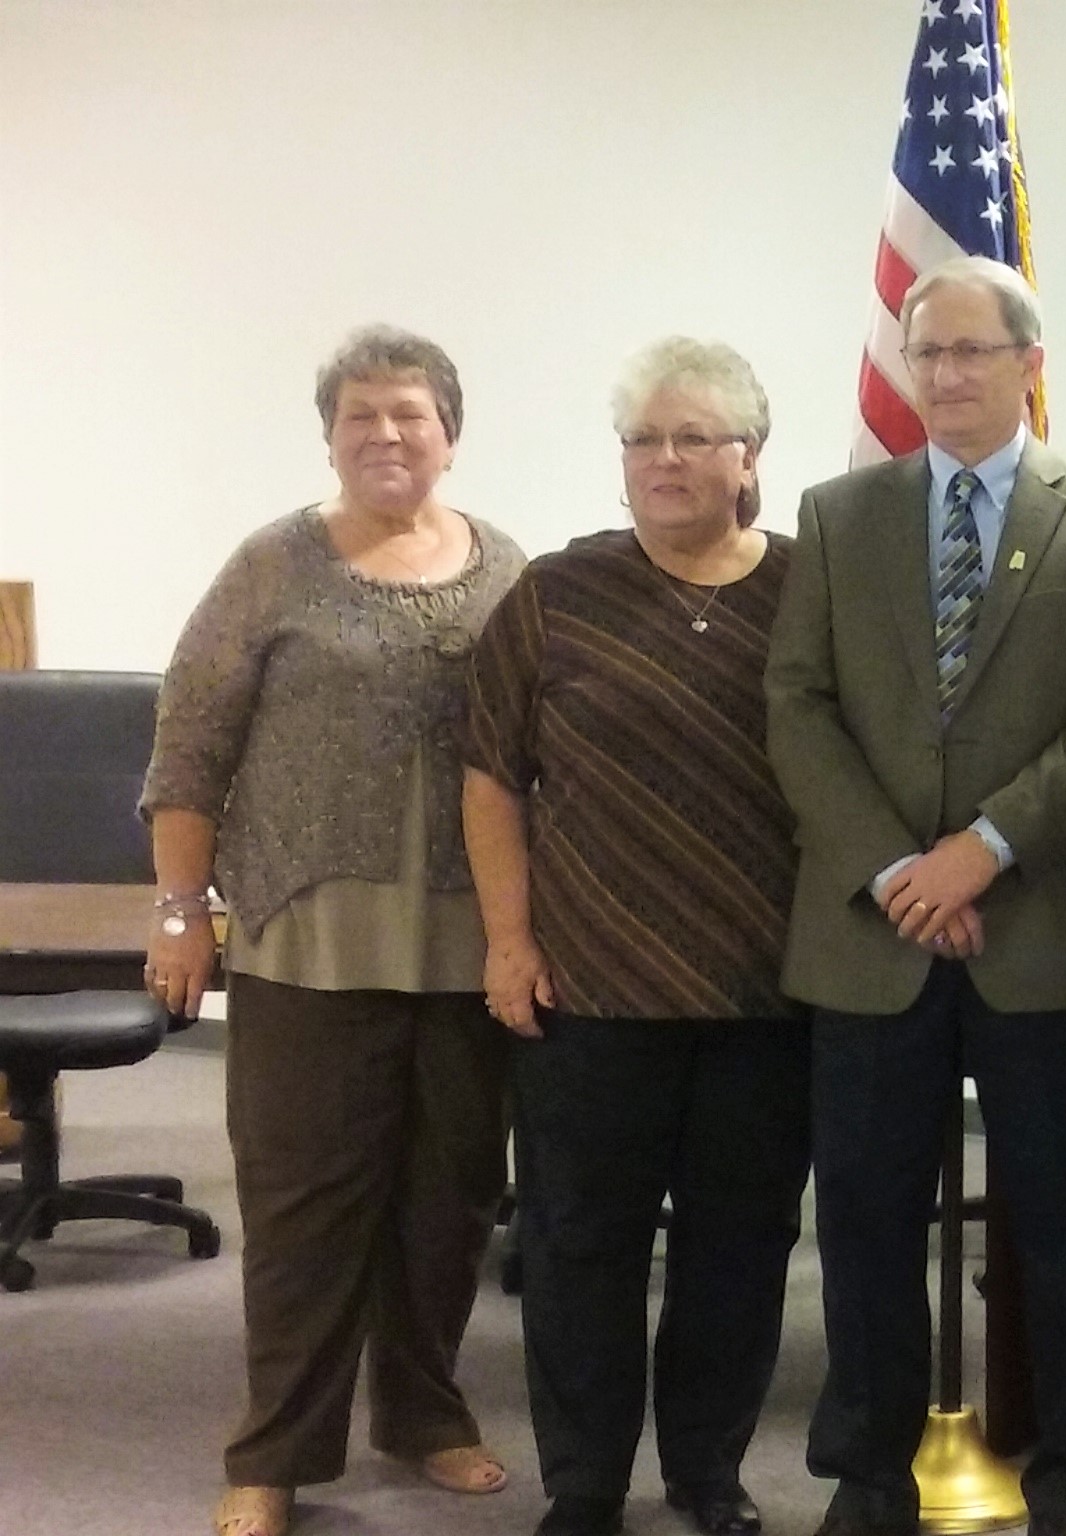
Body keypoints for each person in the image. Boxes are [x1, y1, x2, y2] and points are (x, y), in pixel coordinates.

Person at [766, 255, 1066, 1536]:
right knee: (870, 1229)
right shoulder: (838, 515)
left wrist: (982, 849)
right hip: (873, 935)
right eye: (923, 352)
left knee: (1064, 1237)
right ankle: (871, 1478)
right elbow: (799, 705)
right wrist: (898, 869)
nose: (942, 374)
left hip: (1041, 927)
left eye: (970, 351)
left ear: (1027, 365)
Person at [140, 326, 526, 1536]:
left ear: (449, 432)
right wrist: (179, 910)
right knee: (307, 1204)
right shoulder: (274, 564)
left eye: (409, 414)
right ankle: (275, 1450)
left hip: (466, 945)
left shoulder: (507, 566)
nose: (385, 435)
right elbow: (188, 745)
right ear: (330, 434)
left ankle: (424, 1414)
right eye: (360, 415)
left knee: (447, 1199)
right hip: (304, 943)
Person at [460, 339, 806, 1536]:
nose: (664, 459)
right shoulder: (558, 593)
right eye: (644, 439)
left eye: (693, 437)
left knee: (739, 1250)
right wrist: (508, 941)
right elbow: (491, 776)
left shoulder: (811, 593)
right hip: (590, 988)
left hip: (766, 992)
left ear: (746, 457)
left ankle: (707, 1473)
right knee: (576, 1249)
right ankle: (587, 1483)